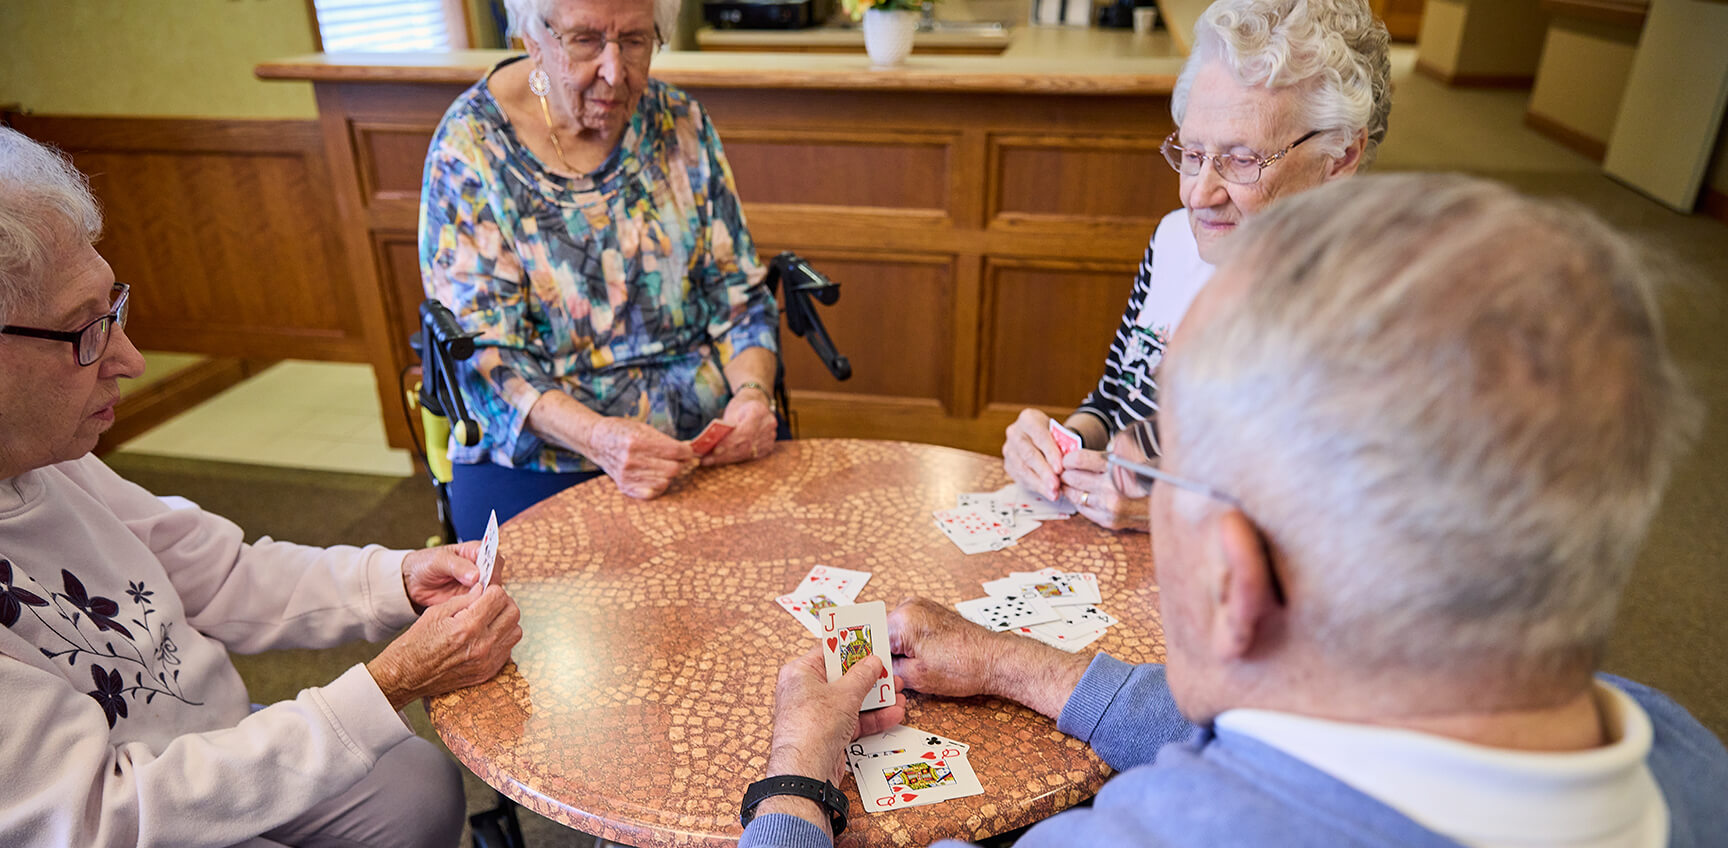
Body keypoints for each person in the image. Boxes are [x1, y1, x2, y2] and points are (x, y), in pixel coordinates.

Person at [738, 174, 1728, 846]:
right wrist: (1010, 659)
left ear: (1231, 576)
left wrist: (795, 774)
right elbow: (1323, 708)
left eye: (1160, 474)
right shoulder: (1684, 749)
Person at [0, 127, 524, 847]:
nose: (131, 359)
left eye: (111, 311)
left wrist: (398, 579)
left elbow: (221, 573)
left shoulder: (49, 458)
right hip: (128, 819)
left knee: (417, 781)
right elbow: (103, 816)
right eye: (84, 332)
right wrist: (389, 683)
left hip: (209, 743)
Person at [1002, 0, 1390, 531]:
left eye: (1242, 159)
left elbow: (1352, 530)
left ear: (1340, 157)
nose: (1197, 193)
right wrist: (1062, 443)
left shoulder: (1375, 317)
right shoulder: (1175, 242)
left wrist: (1171, 509)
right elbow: (1116, 397)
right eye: (1191, 153)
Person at [420, 0, 782, 540]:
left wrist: (752, 395)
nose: (615, 72)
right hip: (545, 460)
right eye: (586, 40)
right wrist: (600, 439)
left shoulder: (679, 122)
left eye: (635, 41)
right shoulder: (471, 147)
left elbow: (739, 296)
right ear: (531, 36)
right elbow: (489, 360)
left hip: (701, 447)